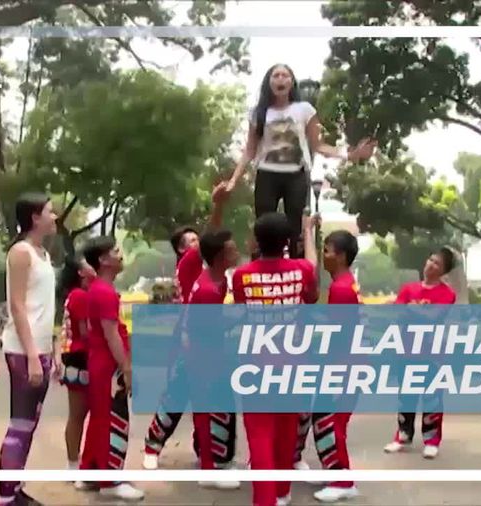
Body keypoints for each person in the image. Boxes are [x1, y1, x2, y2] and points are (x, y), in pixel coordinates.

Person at [224, 63, 376, 258]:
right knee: (263, 225)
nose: (280, 79)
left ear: (292, 82)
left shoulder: (304, 110)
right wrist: (233, 180)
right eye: (275, 75)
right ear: (268, 82)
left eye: (285, 75)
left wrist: (351, 154)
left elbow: (319, 145)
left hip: (296, 175)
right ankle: (260, 268)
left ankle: (296, 268)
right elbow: (249, 150)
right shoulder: (259, 112)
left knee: (294, 228)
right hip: (267, 174)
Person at [231, 212, 320, 506]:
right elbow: (313, 285)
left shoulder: (242, 276)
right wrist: (308, 232)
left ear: (257, 240)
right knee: (286, 432)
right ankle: (282, 492)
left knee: (259, 436)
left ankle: (265, 499)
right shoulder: (301, 270)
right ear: (287, 242)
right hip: (294, 365)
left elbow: (243, 308)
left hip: (255, 365)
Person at [143, 183, 232, 470]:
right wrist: (218, 205)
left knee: (215, 398)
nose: (197, 243)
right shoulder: (189, 265)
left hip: (211, 341)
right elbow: (212, 235)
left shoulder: (213, 272)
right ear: (183, 250)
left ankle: (211, 451)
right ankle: (151, 446)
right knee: (177, 395)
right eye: (191, 241)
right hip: (189, 341)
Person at [0, 194, 58, 506]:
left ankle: (15, 489)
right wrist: (33, 355)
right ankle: (5, 498)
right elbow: (18, 307)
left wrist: (52, 350)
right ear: (35, 217)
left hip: (41, 349)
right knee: (19, 425)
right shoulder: (21, 253)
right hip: (23, 350)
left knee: (29, 424)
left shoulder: (43, 254)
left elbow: (44, 307)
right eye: (49, 211)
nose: (55, 215)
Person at [79, 236, 145, 501]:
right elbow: (111, 335)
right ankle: (110, 481)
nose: (120, 255)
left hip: (100, 362)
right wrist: (126, 368)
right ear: (104, 260)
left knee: (100, 419)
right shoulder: (104, 292)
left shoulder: (98, 289)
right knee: (114, 420)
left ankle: (92, 472)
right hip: (107, 364)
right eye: (115, 251)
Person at [383, 247, 457, 459]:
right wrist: (414, 310)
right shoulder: (409, 288)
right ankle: (403, 434)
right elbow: (398, 313)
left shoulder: (446, 294)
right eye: (430, 259)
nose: (431, 265)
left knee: (432, 397)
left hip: (432, 354)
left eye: (437, 264)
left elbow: (433, 317)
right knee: (406, 395)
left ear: (443, 271)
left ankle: (432, 439)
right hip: (406, 351)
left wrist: (408, 309)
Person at [186, 229, 242, 490]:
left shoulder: (216, 280)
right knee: (205, 411)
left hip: (208, 351)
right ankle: (207, 468)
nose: (237, 251)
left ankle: (211, 461)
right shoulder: (208, 289)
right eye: (232, 249)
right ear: (221, 256)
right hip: (204, 354)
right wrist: (240, 317)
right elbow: (209, 327)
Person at [311, 230, 362, 503]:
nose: (324, 255)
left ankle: (344, 481)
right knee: (327, 417)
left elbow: (339, 332)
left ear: (341, 256)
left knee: (332, 421)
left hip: (344, 365)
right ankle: (333, 470)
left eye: (328, 250)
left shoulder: (341, 288)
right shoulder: (344, 283)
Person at [56, 255, 96, 472]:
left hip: (76, 358)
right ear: (81, 272)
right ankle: (73, 464)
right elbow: (85, 332)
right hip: (79, 359)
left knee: (79, 414)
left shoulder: (78, 294)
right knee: (78, 415)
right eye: (88, 264)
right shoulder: (80, 296)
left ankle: (77, 462)